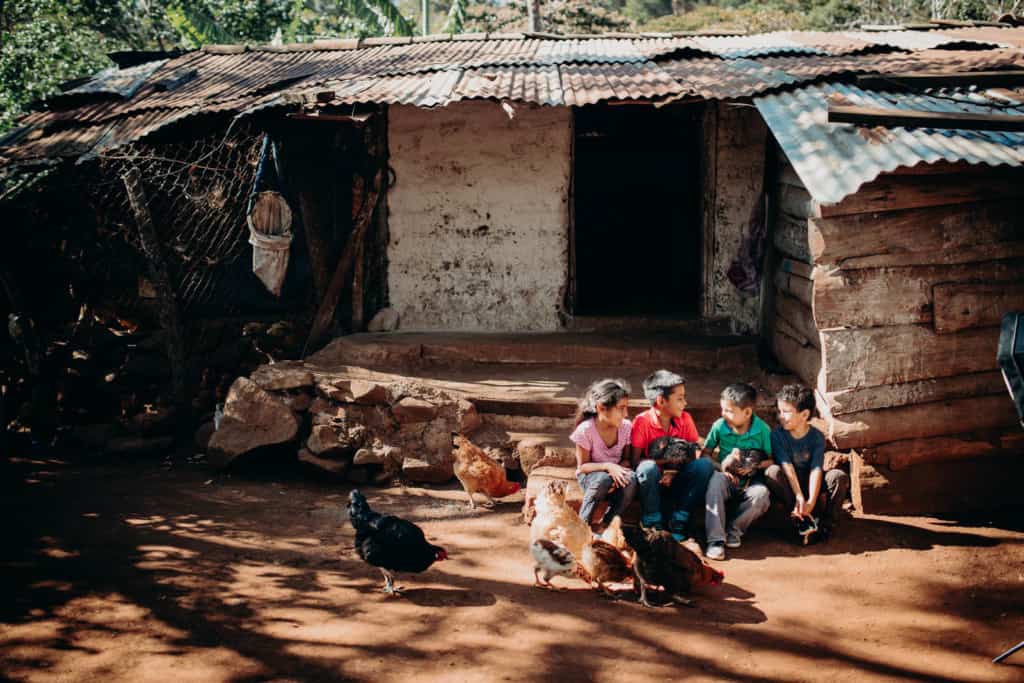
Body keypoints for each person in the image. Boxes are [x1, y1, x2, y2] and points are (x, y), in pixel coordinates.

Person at [631, 370, 715, 542]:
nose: (685, 403)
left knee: (705, 465)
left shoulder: (685, 419)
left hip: (678, 480)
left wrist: (674, 472)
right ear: (661, 401)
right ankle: (652, 521)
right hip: (651, 483)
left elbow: (693, 455)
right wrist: (665, 465)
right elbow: (635, 461)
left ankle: (679, 519)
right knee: (647, 468)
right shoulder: (642, 421)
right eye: (679, 398)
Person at [765, 384, 850, 543]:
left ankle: (827, 524)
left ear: (804, 414)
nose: (781, 416)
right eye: (780, 411)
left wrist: (811, 500)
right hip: (789, 487)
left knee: (838, 477)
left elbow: (816, 468)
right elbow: (787, 467)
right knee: (772, 472)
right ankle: (798, 518)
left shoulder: (817, 437)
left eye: (786, 412)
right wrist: (799, 497)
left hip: (811, 484)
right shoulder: (777, 436)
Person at [701, 383, 773, 561]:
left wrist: (754, 466)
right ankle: (716, 540)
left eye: (729, 411)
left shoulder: (763, 430)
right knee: (716, 481)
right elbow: (705, 455)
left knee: (761, 495)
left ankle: (734, 530)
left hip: (751, 482)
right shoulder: (719, 426)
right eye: (722, 409)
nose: (723, 414)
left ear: (747, 412)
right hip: (727, 479)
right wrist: (721, 468)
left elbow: (773, 459)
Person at [570, 378, 637, 530]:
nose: (626, 414)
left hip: (615, 476)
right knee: (602, 479)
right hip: (591, 477)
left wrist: (617, 471)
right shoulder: (586, 430)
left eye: (626, 408)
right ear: (601, 408)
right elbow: (583, 467)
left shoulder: (625, 427)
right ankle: (582, 525)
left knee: (631, 479)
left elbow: (626, 459)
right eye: (621, 408)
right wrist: (608, 467)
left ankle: (608, 523)